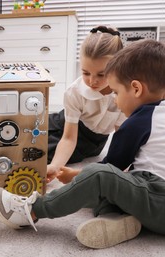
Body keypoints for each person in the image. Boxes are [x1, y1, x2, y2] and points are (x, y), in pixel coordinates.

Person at [0, 39, 165, 249]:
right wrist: (78, 178)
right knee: (108, 184)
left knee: (100, 177)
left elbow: (108, 170)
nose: (115, 101)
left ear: (136, 89)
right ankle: (116, 220)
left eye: (117, 92)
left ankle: (31, 210)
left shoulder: (139, 123)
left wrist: (77, 177)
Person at [47, 25, 126, 183]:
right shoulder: (74, 92)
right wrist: (56, 165)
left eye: (101, 74)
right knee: (29, 130)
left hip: (90, 142)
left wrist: (55, 167)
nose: (92, 81)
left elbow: (120, 138)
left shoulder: (124, 95)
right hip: (66, 123)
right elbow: (69, 137)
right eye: (85, 73)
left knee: (38, 154)